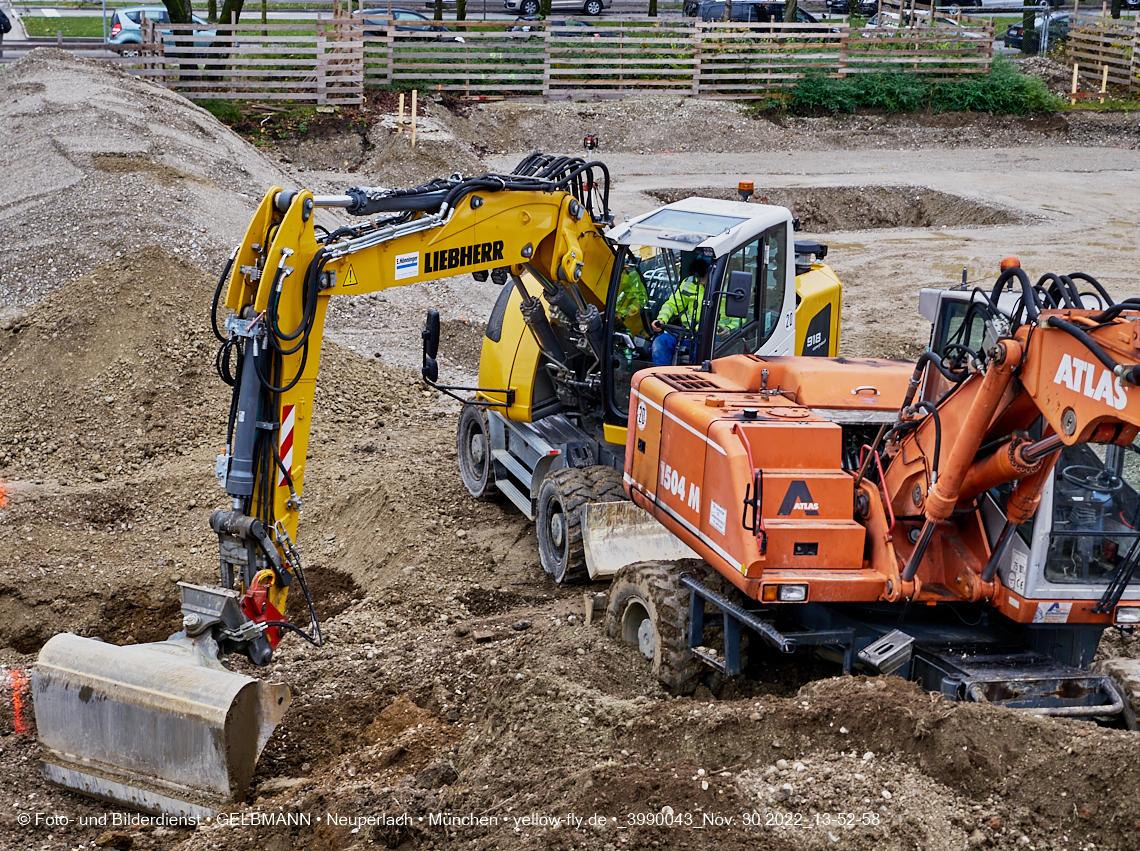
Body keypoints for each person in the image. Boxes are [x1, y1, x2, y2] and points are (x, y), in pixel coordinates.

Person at [651, 257, 709, 366]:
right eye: (698, 275)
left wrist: (728, 329)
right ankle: (661, 375)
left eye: (703, 276)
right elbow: (672, 304)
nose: (699, 280)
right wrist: (661, 319)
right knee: (660, 343)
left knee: (701, 353)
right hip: (687, 332)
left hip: (712, 336)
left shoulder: (726, 286)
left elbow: (737, 318)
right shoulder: (689, 282)